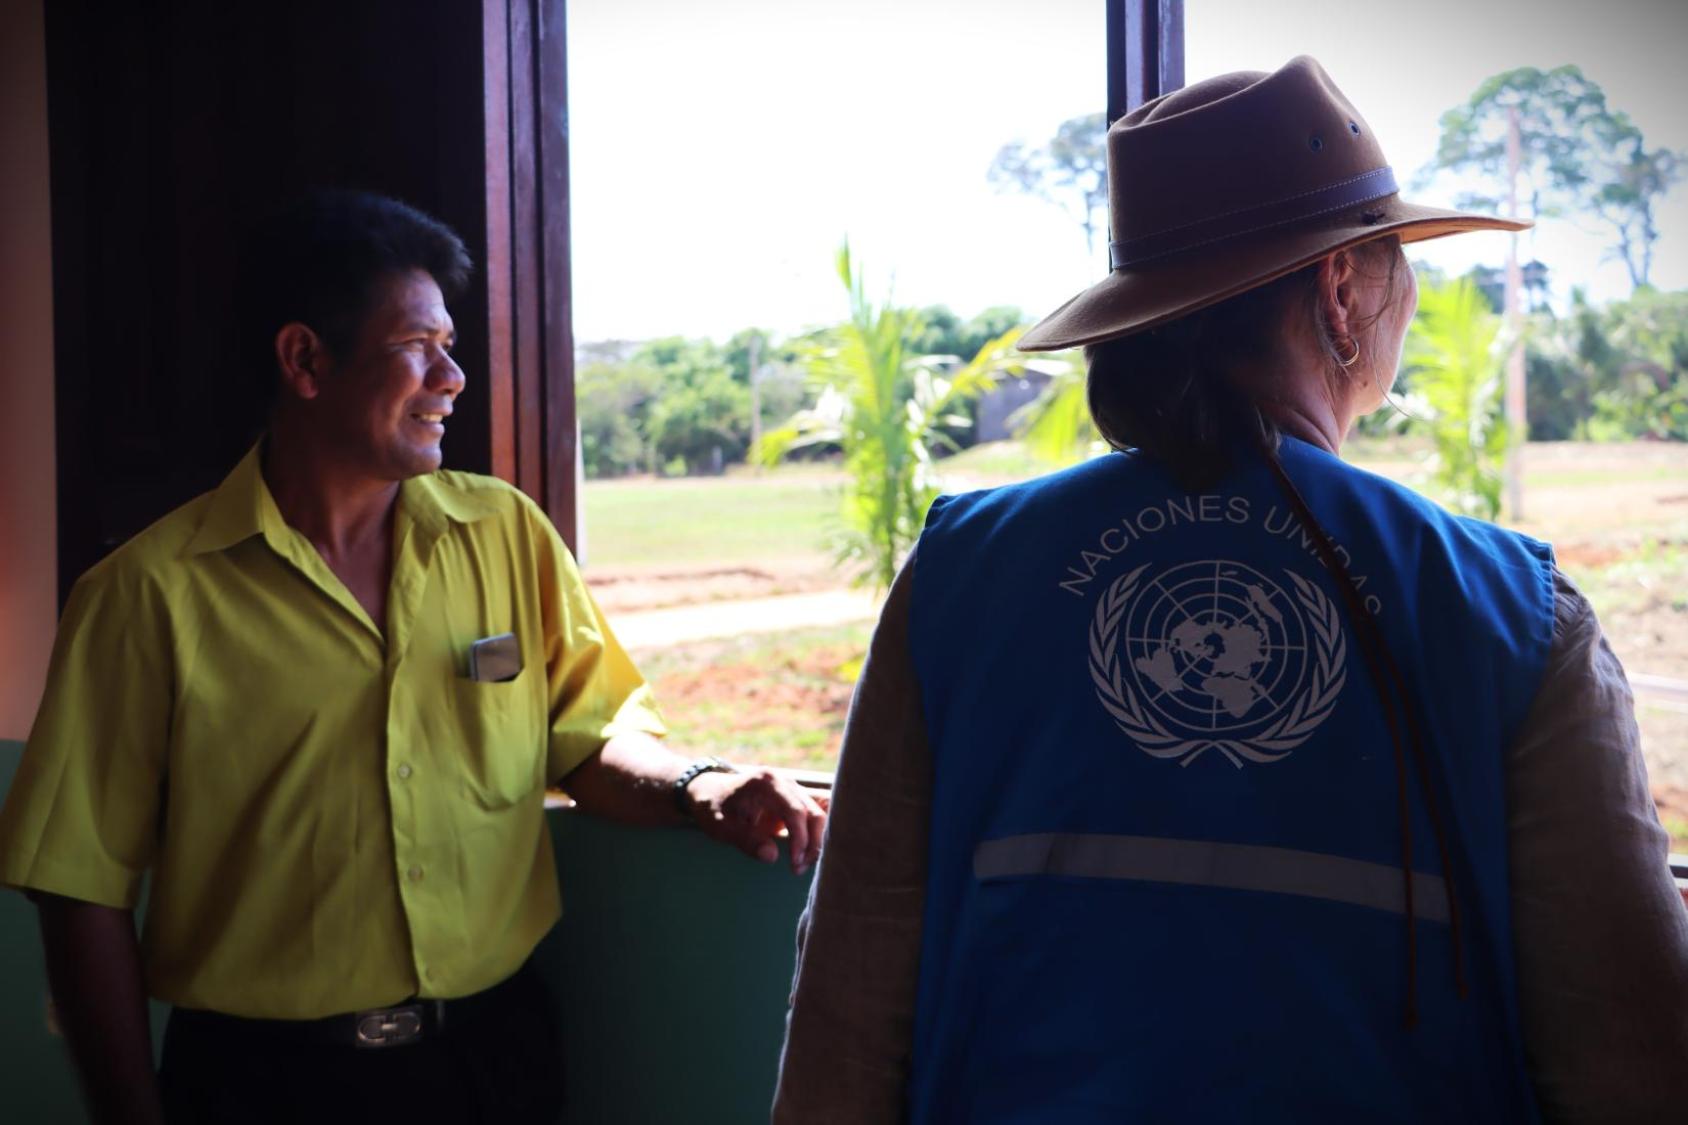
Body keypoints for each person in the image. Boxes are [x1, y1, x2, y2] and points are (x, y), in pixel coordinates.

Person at [774, 57, 1688, 1123]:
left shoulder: (957, 576)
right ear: (1341, 291)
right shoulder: (1510, 610)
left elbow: (845, 1017)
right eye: (1396, 260)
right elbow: (1631, 1055)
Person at [0, 190, 826, 1125]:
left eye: (452, 347)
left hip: (490, 1062)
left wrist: (700, 787)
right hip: (259, 1085)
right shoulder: (144, 597)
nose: (453, 376)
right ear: (305, 359)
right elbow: (78, 889)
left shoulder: (505, 533)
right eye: (418, 347)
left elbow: (588, 735)